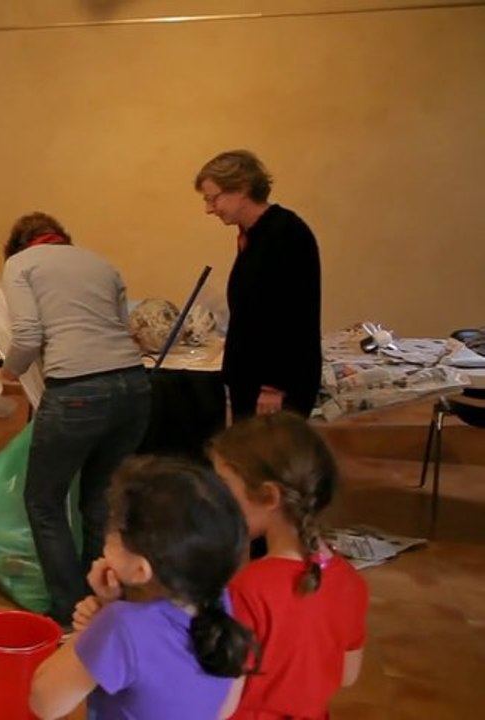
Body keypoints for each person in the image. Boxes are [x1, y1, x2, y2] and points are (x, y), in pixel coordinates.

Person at [0, 211, 151, 628]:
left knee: (44, 501)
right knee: (101, 497)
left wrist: (10, 371)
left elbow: (28, 335)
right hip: (134, 388)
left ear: (18, 245)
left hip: (77, 392)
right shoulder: (102, 263)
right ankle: (104, 599)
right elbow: (120, 328)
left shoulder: (19, 265)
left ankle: (68, 611)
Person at [30, 456, 254, 720]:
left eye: (114, 526)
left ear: (140, 571)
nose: (107, 533)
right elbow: (224, 709)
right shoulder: (218, 600)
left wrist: (96, 626)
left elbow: (43, 701)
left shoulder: (121, 625)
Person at [209, 412, 369, 719]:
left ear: (269, 496)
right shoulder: (348, 578)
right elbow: (347, 675)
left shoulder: (247, 588)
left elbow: (222, 703)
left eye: (224, 486)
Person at [195, 150, 323, 419]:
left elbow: (290, 314)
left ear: (241, 189)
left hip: (275, 386)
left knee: (267, 459)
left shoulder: (285, 234)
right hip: (252, 379)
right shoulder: (253, 234)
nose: (209, 209)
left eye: (212, 198)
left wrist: (273, 386)